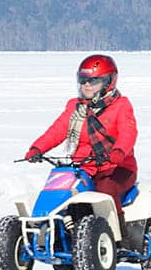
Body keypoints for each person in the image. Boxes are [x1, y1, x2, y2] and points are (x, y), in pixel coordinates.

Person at [25, 54, 138, 237]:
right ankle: (52, 231)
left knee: (105, 189)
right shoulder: (75, 107)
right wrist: (38, 148)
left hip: (117, 167)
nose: (86, 85)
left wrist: (119, 151)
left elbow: (128, 132)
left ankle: (119, 237)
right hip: (84, 167)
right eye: (83, 80)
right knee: (61, 188)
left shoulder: (121, 106)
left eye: (93, 81)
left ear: (108, 82)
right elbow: (57, 130)